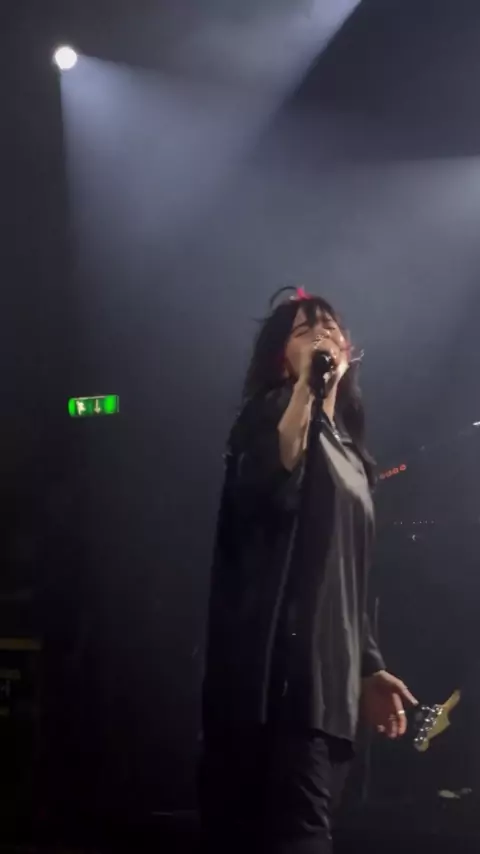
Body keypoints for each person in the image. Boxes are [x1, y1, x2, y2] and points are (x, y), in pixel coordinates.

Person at [199, 287, 417, 853]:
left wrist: (368, 666)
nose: (321, 334)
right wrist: (304, 388)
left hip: (333, 689)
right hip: (281, 682)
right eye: (303, 330)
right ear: (282, 356)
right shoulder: (271, 414)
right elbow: (270, 481)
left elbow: (346, 573)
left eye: (330, 327)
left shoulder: (353, 454)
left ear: (349, 351)